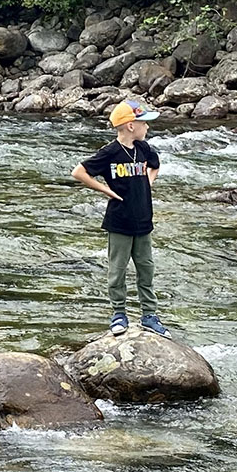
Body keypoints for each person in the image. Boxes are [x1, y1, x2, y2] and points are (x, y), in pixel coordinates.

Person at [71, 98, 169, 338]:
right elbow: (79, 172)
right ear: (130, 126)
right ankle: (119, 314)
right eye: (144, 123)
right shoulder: (110, 152)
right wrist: (105, 189)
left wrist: (148, 182)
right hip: (119, 221)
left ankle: (149, 315)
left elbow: (155, 166)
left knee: (146, 268)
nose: (148, 127)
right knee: (118, 269)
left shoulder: (144, 149)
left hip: (144, 220)